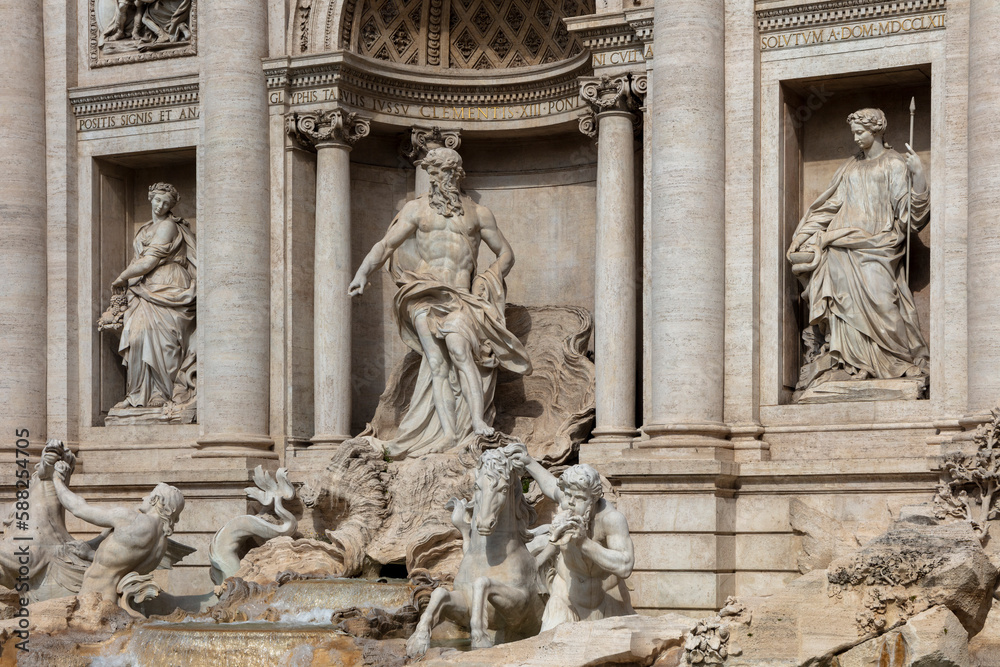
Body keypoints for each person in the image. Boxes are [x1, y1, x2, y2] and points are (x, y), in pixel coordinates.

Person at [349, 147, 531, 457]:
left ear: (457, 174)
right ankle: (448, 434)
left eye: (445, 172)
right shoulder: (416, 210)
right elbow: (385, 245)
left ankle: (475, 422)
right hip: (423, 292)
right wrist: (362, 273)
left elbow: (506, 254)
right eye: (435, 172)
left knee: (461, 351)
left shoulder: (478, 213)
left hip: (460, 296)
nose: (439, 178)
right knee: (435, 362)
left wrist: (485, 281)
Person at [787, 108, 930, 393]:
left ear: (876, 131)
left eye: (860, 132)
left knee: (883, 302)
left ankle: (897, 359)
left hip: (879, 245)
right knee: (842, 306)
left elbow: (909, 216)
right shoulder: (849, 167)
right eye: (853, 132)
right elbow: (828, 207)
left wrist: (919, 178)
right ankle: (851, 364)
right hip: (841, 247)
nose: (856, 138)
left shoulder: (894, 164)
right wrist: (802, 237)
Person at [512, 451, 635, 630]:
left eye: (578, 499)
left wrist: (585, 543)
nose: (569, 503)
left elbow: (625, 565)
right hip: (566, 595)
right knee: (549, 647)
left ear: (593, 499)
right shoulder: (570, 498)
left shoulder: (611, 519)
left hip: (607, 598)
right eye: (567, 495)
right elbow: (548, 483)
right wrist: (528, 461)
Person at [111, 182, 196, 411]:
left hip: (168, 282)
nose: (160, 205)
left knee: (165, 339)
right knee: (137, 336)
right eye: (158, 200)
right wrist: (130, 284)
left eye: (166, 203)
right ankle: (137, 392)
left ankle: (162, 392)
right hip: (144, 287)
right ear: (150, 197)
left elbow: (149, 261)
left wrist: (122, 278)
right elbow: (139, 261)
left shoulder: (168, 226)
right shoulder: (145, 228)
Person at [52, 462, 185, 602]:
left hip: (93, 599)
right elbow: (122, 563)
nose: (143, 498)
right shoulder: (161, 544)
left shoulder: (131, 519)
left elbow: (78, 508)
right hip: (115, 602)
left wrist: (57, 480)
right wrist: (90, 554)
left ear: (156, 500)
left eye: (148, 495)